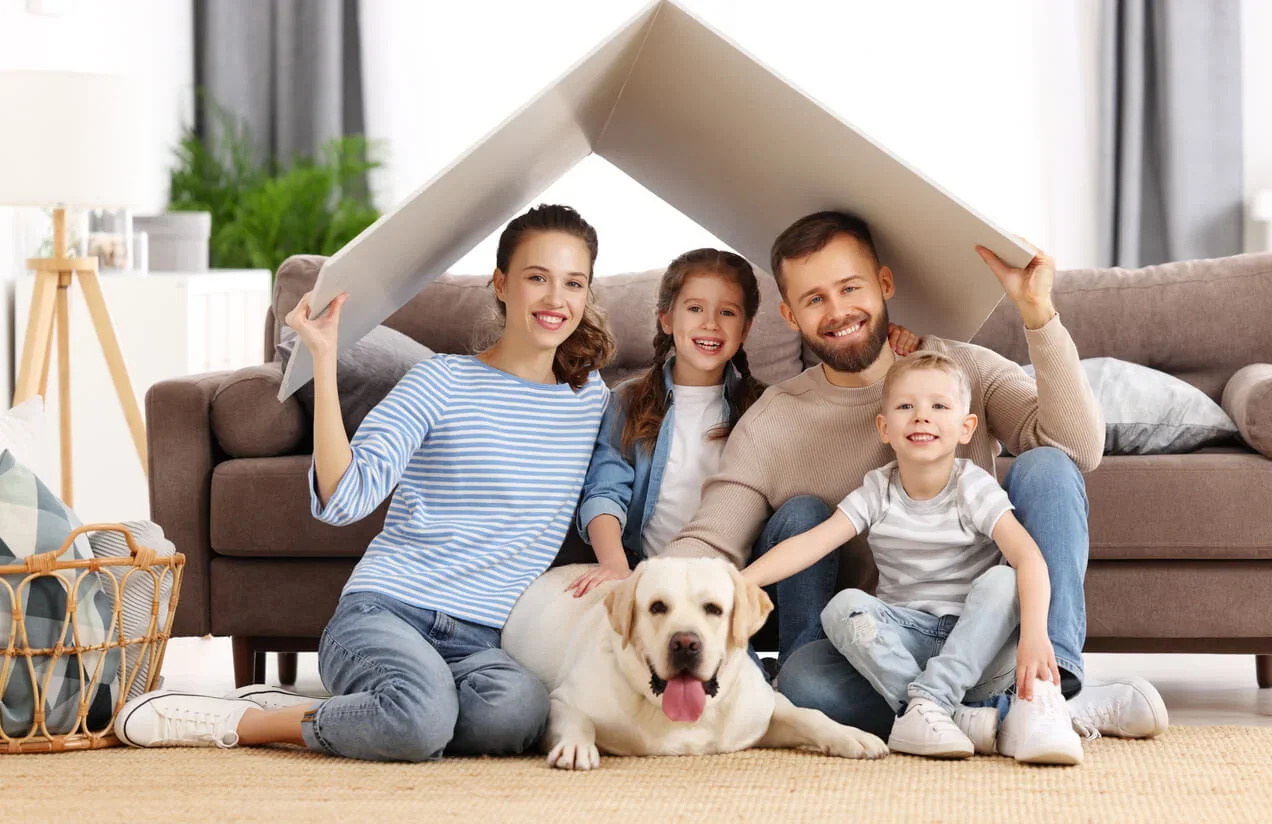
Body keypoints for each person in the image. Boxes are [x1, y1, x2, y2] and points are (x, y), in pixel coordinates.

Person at [113, 204, 616, 761]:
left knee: (518, 715)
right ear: (501, 284)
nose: (556, 299)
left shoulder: (589, 400)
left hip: (482, 640)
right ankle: (247, 719)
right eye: (537, 278)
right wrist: (323, 362)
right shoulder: (441, 380)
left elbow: (617, 481)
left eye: (574, 283)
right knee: (421, 720)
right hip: (387, 610)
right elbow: (345, 497)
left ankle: (395, 708)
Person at [664, 210, 1169, 746]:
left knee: (1048, 464)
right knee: (804, 678)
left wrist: (1038, 314)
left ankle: (1050, 688)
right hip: (875, 643)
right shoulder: (775, 418)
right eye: (815, 299)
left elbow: (1079, 449)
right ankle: (1002, 718)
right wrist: (636, 592)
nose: (838, 312)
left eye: (850, 287)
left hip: (985, 626)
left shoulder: (960, 372)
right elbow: (713, 536)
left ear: (884, 284)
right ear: (791, 315)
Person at [744, 352, 1082, 764]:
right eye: (906, 406)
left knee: (1003, 582)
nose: (922, 417)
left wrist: (1034, 636)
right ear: (884, 428)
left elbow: (1029, 559)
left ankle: (931, 706)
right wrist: (740, 582)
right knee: (810, 662)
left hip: (977, 645)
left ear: (965, 428)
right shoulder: (877, 489)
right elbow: (813, 543)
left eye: (939, 406)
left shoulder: (971, 485)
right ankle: (963, 716)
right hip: (901, 644)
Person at [568, 249, 918, 598]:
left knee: (805, 510)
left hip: (748, 582)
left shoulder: (767, 407)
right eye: (695, 309)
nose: (711, 323)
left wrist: (896, 352)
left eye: (727, 312)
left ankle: (802, 649)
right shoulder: (628, 401)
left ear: (746, 328)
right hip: (653, 570)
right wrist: (615, 565)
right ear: (667, 320)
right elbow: (605, 491)